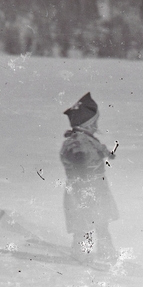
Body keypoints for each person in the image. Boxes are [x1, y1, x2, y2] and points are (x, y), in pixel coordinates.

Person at [59, 92, 119, 263]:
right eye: (94, 123)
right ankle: (81, 252)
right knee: (84, 220)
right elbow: (78, 158)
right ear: (87, 124)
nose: (96, 126)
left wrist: (105, 152)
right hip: (85, 186)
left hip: (94, 185)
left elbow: (97, 148)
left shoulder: (86, 139)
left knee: (100, 220)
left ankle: (104, 250)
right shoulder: (78, 142)